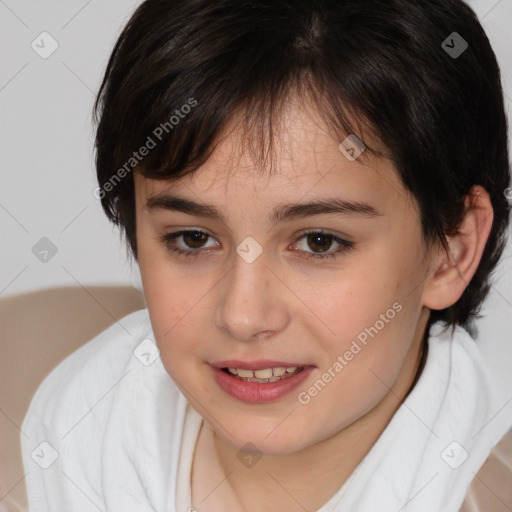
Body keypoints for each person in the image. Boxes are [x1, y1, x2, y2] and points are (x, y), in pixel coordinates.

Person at [21, 0, 512, 510]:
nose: (243, 315)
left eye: (319, 242)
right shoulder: (77, 429)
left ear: (451, 250)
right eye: (192, 239)